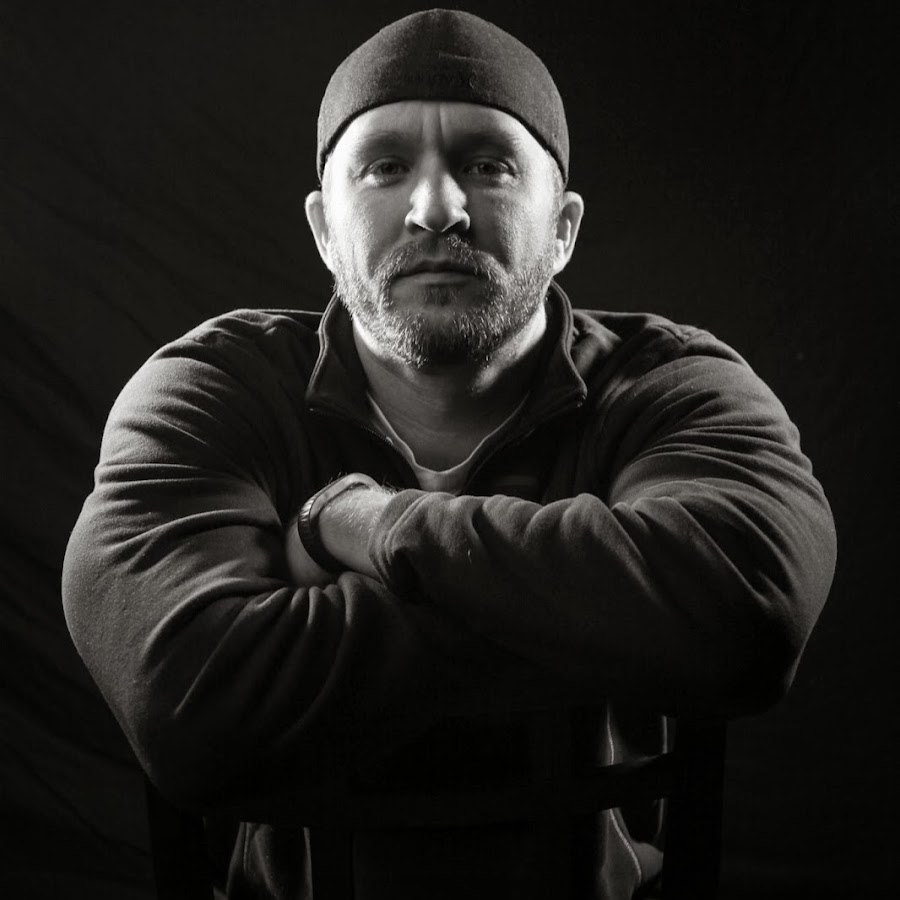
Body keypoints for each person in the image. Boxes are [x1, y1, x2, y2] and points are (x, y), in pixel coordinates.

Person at [62, 9, 837, 899]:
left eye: (488, 164)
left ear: (563, 228)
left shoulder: (670, 385)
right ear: (324, 230)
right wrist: (593, 604)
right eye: (386, 167)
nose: (437, 209)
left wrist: (363, 523)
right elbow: (190, 706)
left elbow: (746, 608)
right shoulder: (213, 391)